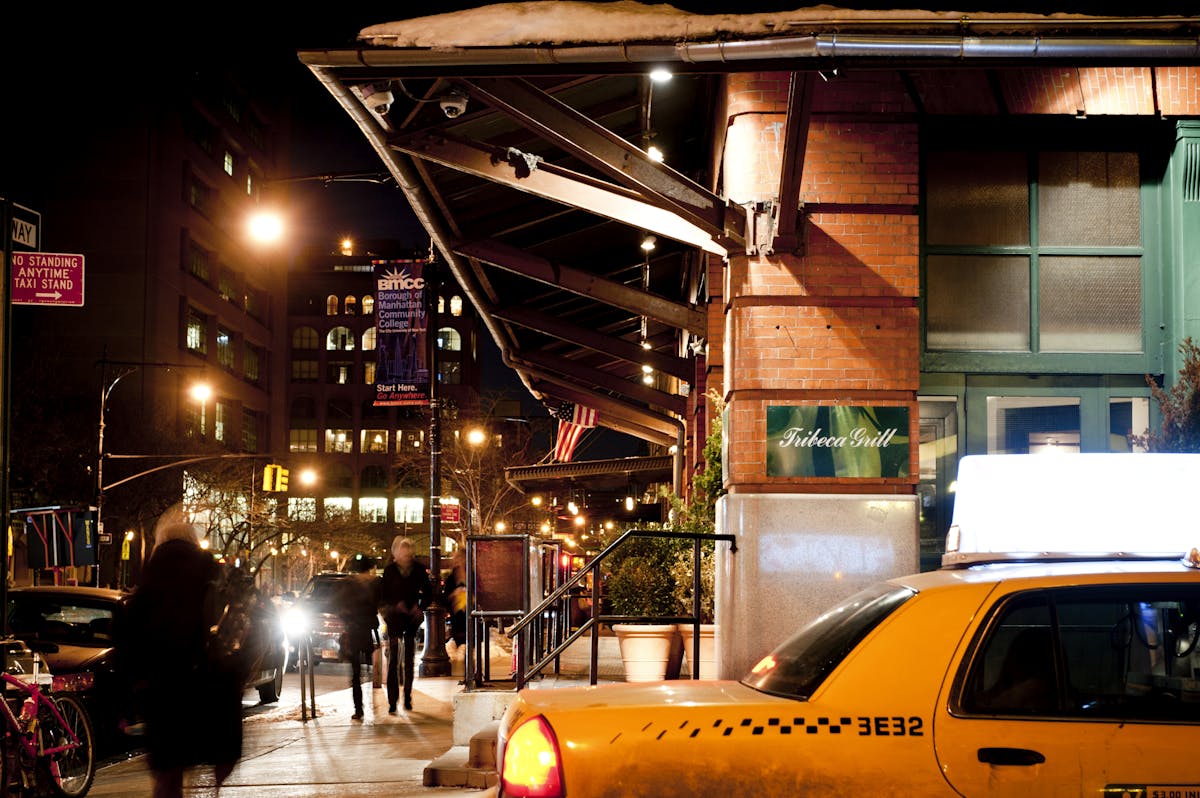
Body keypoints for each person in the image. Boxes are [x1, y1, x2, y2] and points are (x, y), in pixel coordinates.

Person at [118, 506, 244, 798]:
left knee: (168, 776)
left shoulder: (149, 581)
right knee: (215, 767)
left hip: (163, 694)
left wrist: (127, 699)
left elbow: (127, 642)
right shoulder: (214, 574)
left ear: (160, 541)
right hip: (210, 687)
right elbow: (240, 624)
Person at [378, 536, 431, 712]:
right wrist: (395, 605)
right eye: (403, 550)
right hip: (395, 620)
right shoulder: (390, 571)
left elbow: (428, 592)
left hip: (411, 620)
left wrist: (419, 607)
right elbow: (383, 596)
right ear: (396, 553)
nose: (406, 554)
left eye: (408, 551)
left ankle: (407, 697)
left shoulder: (418, 570)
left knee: (409, 661)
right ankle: (392, 701)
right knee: (394, 660)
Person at [334, 555, 381, 720]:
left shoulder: (349, 584)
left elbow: (338, 604)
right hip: (367, 630)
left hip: (353, 630)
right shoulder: (375, 583)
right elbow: (380, 604)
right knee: (370, 670)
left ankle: (359, 708)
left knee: (355, 673)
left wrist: (345, 618)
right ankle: (370, 703)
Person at [444, 549, 467, 656]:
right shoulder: (451, 578)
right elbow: (445, 598)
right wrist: (455, 593)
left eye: (461, 558)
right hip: (457, 616)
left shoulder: (471, 574)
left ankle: (469, 663)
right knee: (461, 641)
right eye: (457, 558)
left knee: (470, 644)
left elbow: (479, 591)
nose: (459, 560)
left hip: (470, 614)